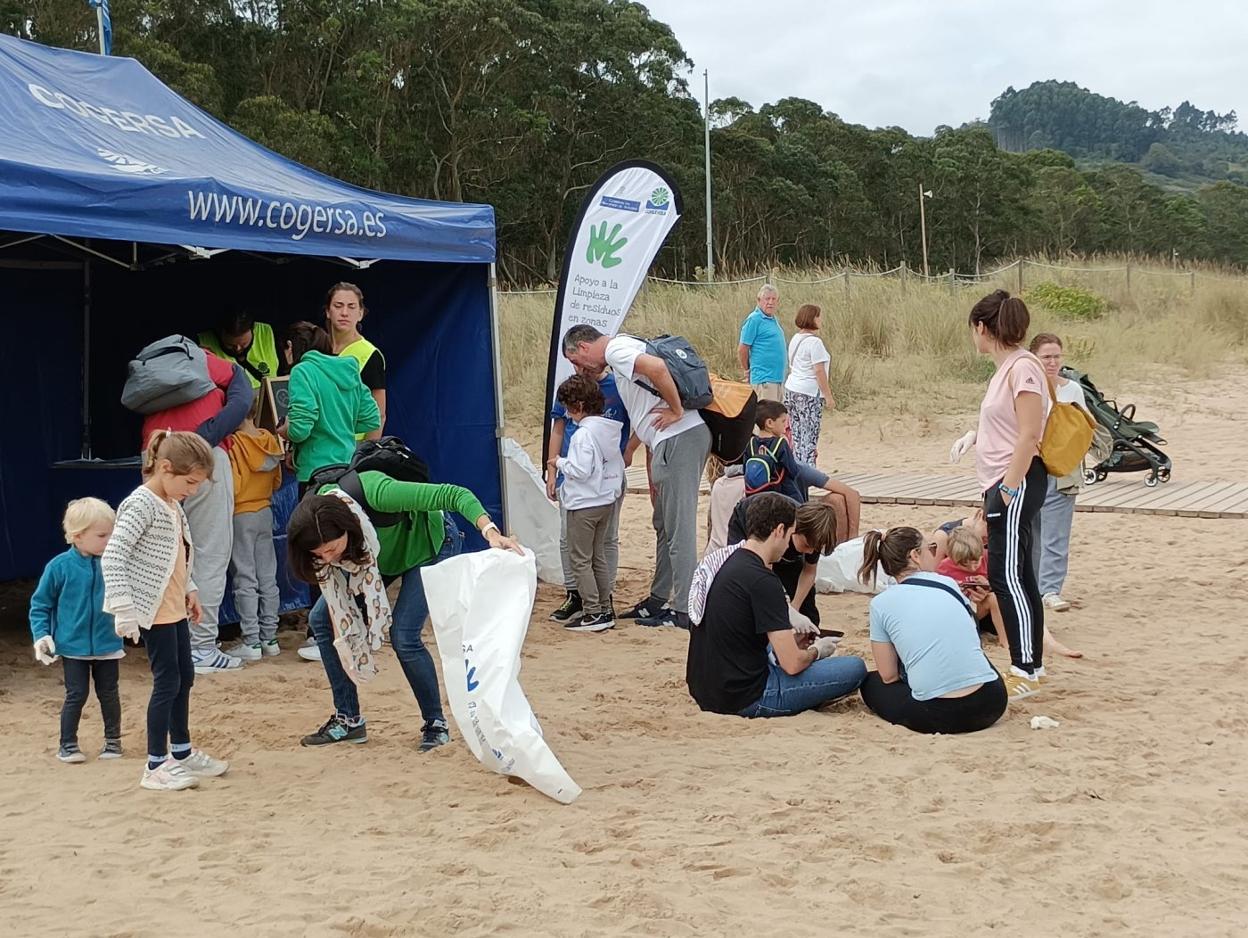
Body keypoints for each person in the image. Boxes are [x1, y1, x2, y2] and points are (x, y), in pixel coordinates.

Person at [287, 475, 522, 751]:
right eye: (319, 554)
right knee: (320, 620)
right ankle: (348, 719)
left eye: (331, 549)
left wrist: (491, 532)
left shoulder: (377, 493)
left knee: (403, 635)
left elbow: (455, 492)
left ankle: (436, 723)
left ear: (347, 528)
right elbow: (334, 570)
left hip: (429, 546)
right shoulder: (313, 517)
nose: (328, 560)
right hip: (372, 560)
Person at [101, 431, 231, 791]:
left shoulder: (172, 505)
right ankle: (155, 764)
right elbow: (114, 556)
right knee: (167, 682)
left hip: (173, 608)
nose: (192, 490)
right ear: (165, 468)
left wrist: (190, 589)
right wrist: (124, 609)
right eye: (189, 482)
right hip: (153, 612)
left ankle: (182, 750)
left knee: (185, 676)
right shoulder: (141, 504)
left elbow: (179, 553)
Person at [563, 325, 711, 629]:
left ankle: (684, 609)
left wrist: (676, 409)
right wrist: (632, 447)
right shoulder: (627, 346)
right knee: (663, 524)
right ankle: (659, 599)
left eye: (576, 360)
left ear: (584, 347)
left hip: (679, 438)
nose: (579, 368)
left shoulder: (615, 350)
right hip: (669, 442)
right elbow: (644, 409)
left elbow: (656, 368)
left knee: (678, 527)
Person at [949, 289, 1050, 700]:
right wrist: (975, 438)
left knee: (1007, 575)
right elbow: (1008, 426)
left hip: (1015, 480)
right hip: (1001, 479)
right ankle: (1031, 664)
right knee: (1017, 572)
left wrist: (1008, 486)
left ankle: (1024, 668)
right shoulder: (1006, 368)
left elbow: (1029, 433)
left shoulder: (1023, 368)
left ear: (981, 327)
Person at [686, 492, 866, 717]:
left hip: (705, 688)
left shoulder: (722, 560)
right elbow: (792, 664)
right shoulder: (764, 580)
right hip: (747, 696)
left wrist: (788, 636)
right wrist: (816, 651)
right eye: (791, 534)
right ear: (779, 531)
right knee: (854, 668)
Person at [142, 351, 250, 674]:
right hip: (202, 456)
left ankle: (165, 644)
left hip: (154, 453)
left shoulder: (149, 369)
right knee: (209, 551)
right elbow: (242, 390)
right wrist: (211, 433)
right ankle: (200, 647)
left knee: (162, 552)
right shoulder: (199, 357)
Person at [856, 527, 1007, 734]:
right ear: (915, 556)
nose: (936, 554)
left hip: (936, 713)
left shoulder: (881, 604)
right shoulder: (948, 584)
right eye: (932, 548)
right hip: (991, 701)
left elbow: (888, 676)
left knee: (870, 683)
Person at [29, 498, 123, 764]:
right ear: (78, 536)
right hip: (72, 646)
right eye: (102, 535)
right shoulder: (59, 567)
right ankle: (68, 744)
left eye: (112, 534)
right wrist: (42, 635)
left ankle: (113, 741)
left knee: (109, 693)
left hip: (108, 643)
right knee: (76, 694)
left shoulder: (115, 563)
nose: (109, 540)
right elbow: (40, 605)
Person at [546, 364, 630, 624]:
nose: (568, 415)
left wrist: (558, 462)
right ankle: (605, 606)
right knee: (598, 556)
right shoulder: (609, 428)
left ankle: (593, 611)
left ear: (579, 405)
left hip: (584, 504)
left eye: (569, 408)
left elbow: (580, 470)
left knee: (580, 559)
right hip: (605, 500)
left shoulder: (583, 434)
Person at [280, 321, 381, 487]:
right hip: (348, 468)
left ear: (290, 346)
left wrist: (285, 431)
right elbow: (371, 419)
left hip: (315, 473)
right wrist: (338, 426)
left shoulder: (302, 370)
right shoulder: (349, 369)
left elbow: (299, 431)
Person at [744, 399, 861, 541]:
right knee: (811, 507)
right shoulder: (781, 444)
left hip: (756, 499)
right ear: (769, 423)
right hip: (787, 499)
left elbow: (745, 469)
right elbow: (793, 470)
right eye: (783, 421)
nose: (787, 426)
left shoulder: (751, 444)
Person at [222, 403, 285, 661]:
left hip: (241, 514)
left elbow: (233, 486)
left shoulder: (233, 444)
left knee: (245, 578)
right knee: (268, 576)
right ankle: (270, 637)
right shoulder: (270, 439)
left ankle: (251, 641)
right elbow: (278, 480)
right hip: (265, 510)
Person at [1028, 333, 1086, 614]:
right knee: (1032, 531)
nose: (1052, 362)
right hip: (1031, 466)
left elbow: (1084, 428)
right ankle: (1034, 587)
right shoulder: (1027, 388)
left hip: (1062, 469)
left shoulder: (1072, 389)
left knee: (1056, 533)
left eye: (1056, 356)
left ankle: (1050, 589)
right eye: (1046, 357)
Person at [727, 494, 840, 625]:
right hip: (747, 523)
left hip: (785, 546)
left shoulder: (814, 536)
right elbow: (764, 571)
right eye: (807, 545)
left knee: (807, 609)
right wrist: (784, 612)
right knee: (755, 590)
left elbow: (809, 572)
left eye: (814, 549)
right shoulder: (781, 527)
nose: (810, 551)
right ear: (794, 529)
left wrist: (794, 608)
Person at [324, 282, 385, 440]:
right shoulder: (318, 348)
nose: (344, 313)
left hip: (350, 451)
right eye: (338, 306)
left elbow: (379, 414)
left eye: (351, 307)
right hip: (316, 449)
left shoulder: (370, 354)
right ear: (328, 311)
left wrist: (366, 456)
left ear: (360, 313)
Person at [935, 526, 1006, 649]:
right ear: (952, 558)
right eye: (965, 565)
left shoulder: (988, 558)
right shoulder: (944, 568)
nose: (972, 568)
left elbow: (1005, 586)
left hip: (983, 612)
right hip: (960, 612)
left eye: (975, 562)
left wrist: (989, 585)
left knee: (993, 598)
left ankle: (1005, 641)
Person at [782, 303, 835, 465]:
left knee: (797, 435)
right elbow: (819, 371)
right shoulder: (815, 343)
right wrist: (828, 396)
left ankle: (797, 467)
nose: (820, 320)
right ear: (812, 319)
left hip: (792, 388)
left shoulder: (795, 339)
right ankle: (808, 470)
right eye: (818, 316)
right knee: (809, 435)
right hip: (808, 392)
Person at [198, 309, 280, 392]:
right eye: (230, 345)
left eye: (244, 343)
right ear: (220, 333)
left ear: (252, 330)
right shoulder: (203, 343)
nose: (238, 348)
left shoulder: (266, 332)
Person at [738, 283, 786, 402]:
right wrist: (747, 370)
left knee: (778, 417)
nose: (770, 302)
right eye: (767, 299)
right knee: (767, 417)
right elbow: (743, 348)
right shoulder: (754, 319)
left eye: (773, 299)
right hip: (764, 379)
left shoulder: (773, 319)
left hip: (777, 378)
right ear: (759, 300)